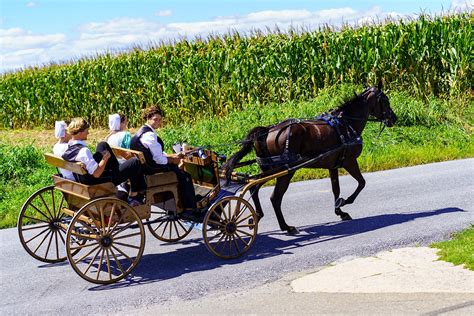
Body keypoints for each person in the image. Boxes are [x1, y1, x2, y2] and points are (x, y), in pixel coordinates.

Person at [62, 117, 145, 204]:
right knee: (135, 161)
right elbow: (96, 174)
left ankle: (119, 171)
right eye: (87, 130)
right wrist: (104, 159)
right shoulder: (83, 151)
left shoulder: (69, 148)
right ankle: (134, 195)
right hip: (100, 180)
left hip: (85, 178)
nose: (88, 132)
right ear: (81, 132)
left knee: (103, 145)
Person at [130, 105, 197, 211]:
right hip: (153, 168)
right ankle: (190, 208)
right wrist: (173, 160)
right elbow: (159, 160)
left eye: (160, 120)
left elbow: (154, 154)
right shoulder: (149, 135)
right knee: (185, 176)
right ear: (148, 118)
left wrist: (172, 155)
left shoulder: (141, 132)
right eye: (155, 119)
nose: (158, 122)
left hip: (147, 165)